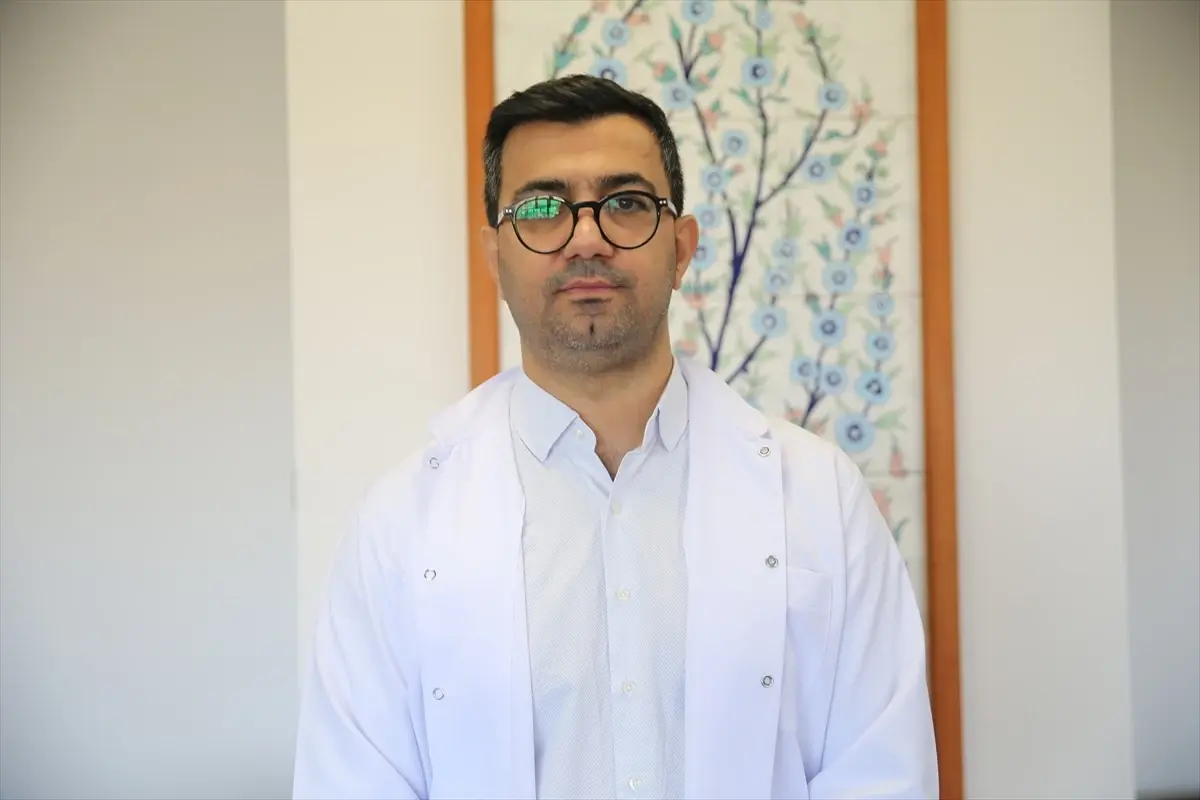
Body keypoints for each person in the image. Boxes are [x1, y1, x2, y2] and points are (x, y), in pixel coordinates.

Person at [292, 74, 938, 800]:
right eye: (543, 208)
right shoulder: (398, 525)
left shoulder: (820, 496)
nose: (587, 238)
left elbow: (882, 774)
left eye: (626, 203)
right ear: (495, 256)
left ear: (682, 247)